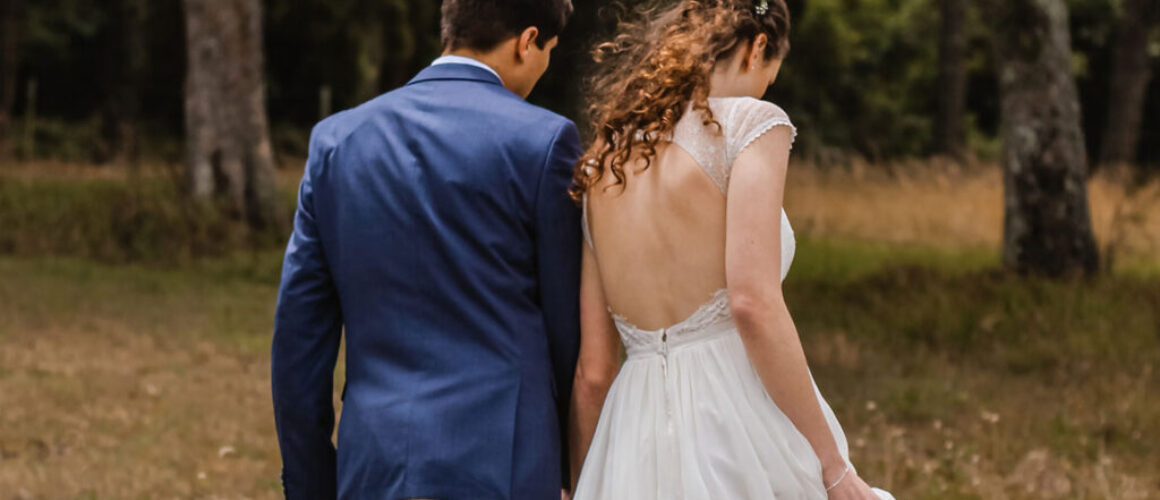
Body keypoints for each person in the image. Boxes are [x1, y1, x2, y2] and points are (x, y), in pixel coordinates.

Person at [566, 1, 895, 498]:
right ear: (758, 45)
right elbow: (752, 303)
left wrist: (584, 480)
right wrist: (834, 467)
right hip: (733, 416)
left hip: (630, 435)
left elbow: (593, 372)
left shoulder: (602, 164)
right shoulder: (750, 125)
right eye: (770, 73)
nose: (767, 87)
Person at [270, 1, 581, 499]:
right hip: (506, 464)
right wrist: (572, 468)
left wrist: (309, 484)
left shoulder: (335, 143)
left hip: (375, 462)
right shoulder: (544, 143)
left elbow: (298, 341)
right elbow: (567, 331)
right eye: (549, 51)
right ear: (527, 41)